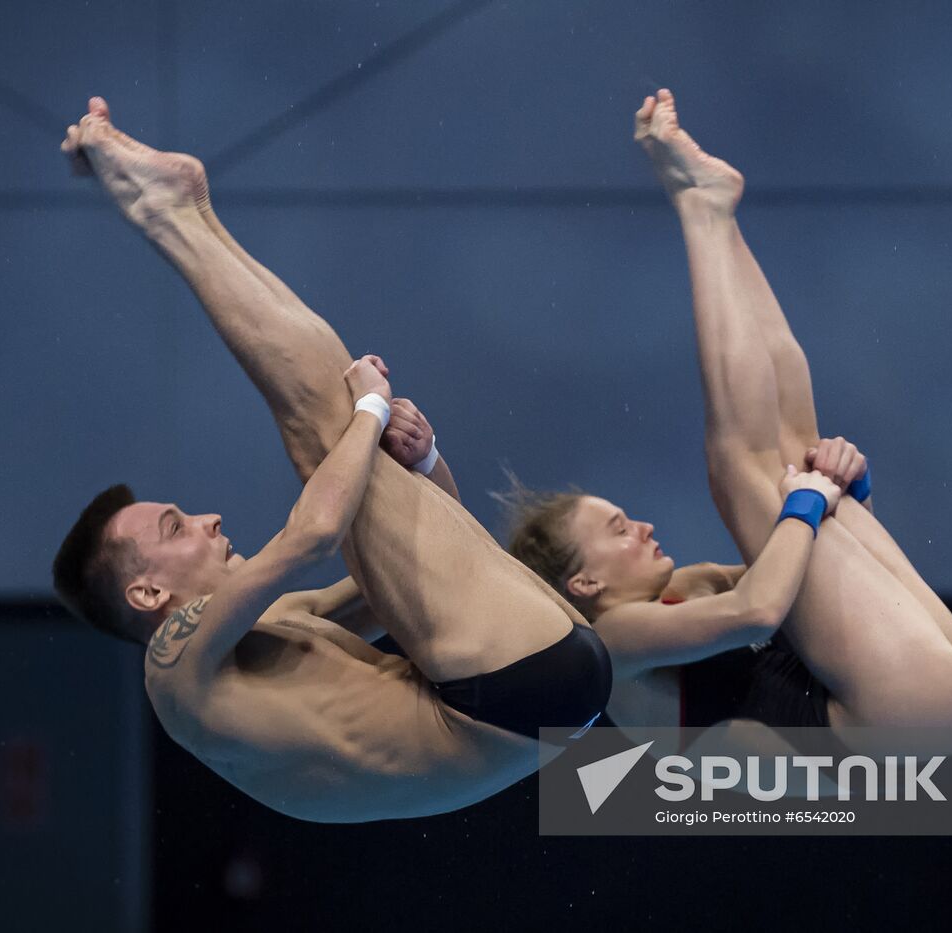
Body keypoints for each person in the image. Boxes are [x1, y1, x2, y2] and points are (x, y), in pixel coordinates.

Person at [50, 98, 610, 824]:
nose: (209, 517)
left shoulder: (271, 624)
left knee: (338, 446)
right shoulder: (174, 672)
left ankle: (187, 213)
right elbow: (311, 534)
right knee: (324, 433)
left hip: (533, 690)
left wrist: (424, 460)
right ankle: (173, 215)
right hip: (511, 693)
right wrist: (368, 410)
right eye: (176, 526)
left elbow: (408, 568)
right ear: (149, 595)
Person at [506, 90, 952, 760]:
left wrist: (846, 492)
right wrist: (807, 502)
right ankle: (701, 210)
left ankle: (717, 213)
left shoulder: (684, 592)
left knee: (794, 456)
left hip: (939, 709)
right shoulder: (609, 644)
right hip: (903, 721)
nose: (644, 525)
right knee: (739, 466)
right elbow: (759, 611)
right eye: (618, 530)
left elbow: (819, 585)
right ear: (584, 585)